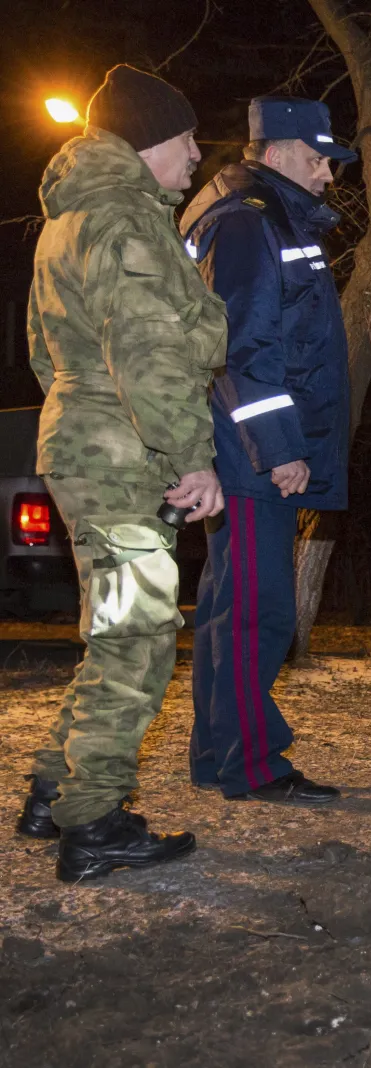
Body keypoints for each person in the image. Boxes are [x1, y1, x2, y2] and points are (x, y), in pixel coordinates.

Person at [16, 65, 226, 881]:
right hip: (124, 451)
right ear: (148, 143)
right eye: (186, 141)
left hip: (82, 440)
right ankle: (94, 823)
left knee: (111, 628)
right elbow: (149, 354)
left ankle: (52, 791)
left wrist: (90, 420)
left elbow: (43, 352)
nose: (197, 154)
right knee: (136, 637)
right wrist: (192, 457)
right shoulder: (127, 223)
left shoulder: (69, 221)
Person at [179, 97, 356, 805]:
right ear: (279, 152)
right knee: (261, 612)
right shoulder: (252, 221)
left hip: (243, 452)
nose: (327, 175)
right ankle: (254, 765)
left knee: (231, 607)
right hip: (253, 458)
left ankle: (218, 755)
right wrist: (280, 448)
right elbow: (246, 347)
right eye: (318, 159)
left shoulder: (258, 213)